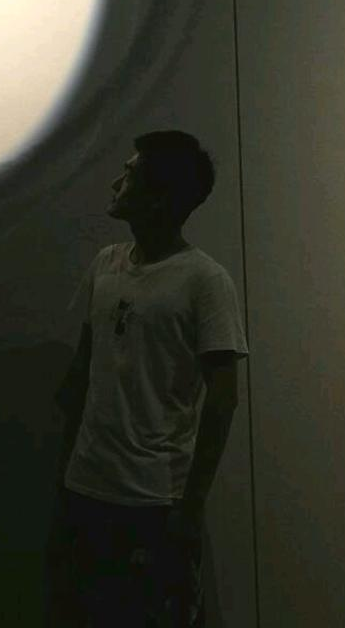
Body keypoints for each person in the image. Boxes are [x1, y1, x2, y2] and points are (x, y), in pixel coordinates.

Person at [44, 131, 249, 627]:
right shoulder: (106, 263)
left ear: (160, 198)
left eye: (130, 174)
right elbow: (83, 370)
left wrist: (191, 507)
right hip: (87, 489)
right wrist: (65, 470)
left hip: (155, 499)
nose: (116, 183)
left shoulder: (205, 281)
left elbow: (223, 400)